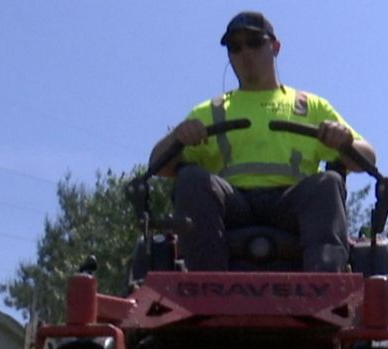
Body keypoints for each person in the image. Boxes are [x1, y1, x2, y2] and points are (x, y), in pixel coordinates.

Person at [149, 11, 376, 272]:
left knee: (328, 183)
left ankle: (324, 286)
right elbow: (157, 164)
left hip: (291, 207)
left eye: (255, 42)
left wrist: (344, 141)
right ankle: (206, 284)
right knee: (191, 179)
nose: (245, 52)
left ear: (275, 47)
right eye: (235, 47)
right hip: (232, 207)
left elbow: (367, 159)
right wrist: (178, 136)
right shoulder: (210, 111)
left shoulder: (308, 106)